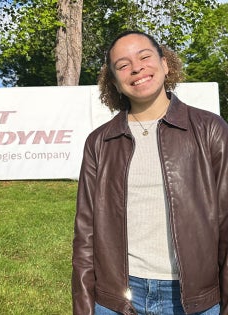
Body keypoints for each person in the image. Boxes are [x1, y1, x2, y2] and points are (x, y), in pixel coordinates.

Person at [72, 30, 228, 315]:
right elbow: (85, 236)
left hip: (195, 300)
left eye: (144, 57)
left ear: (165, 64)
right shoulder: (99, 142)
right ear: (115, 82)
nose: (136, 68)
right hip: (117, 299)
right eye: (122, 65)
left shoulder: (211, 130)